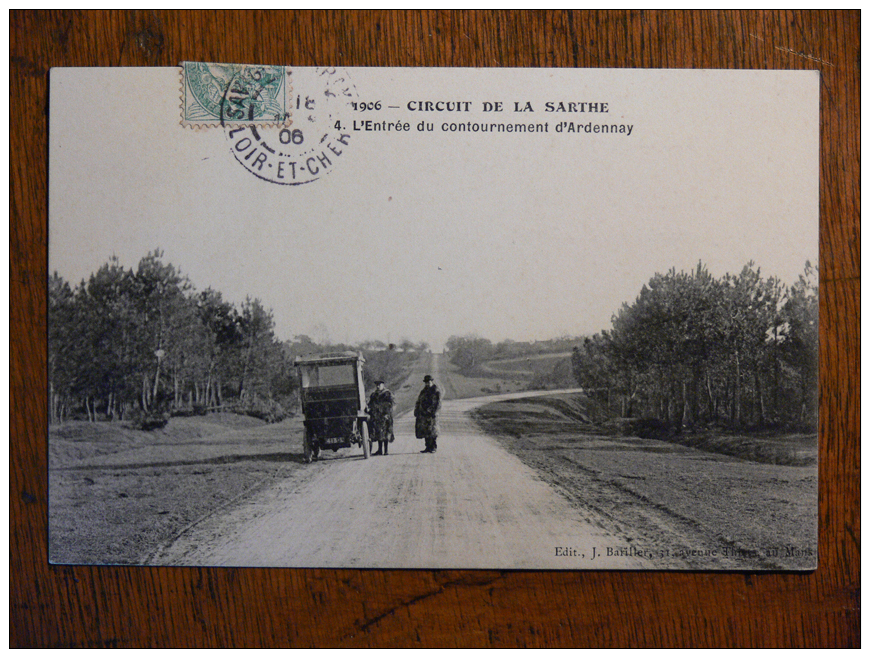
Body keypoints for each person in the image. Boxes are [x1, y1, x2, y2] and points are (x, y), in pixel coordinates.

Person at [414, 374, 441, 453]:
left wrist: (433, 411)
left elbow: (438, 403)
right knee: (425, 431)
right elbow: (419, 401)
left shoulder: (436, 391)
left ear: (432, 382)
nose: (427, 384)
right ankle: (427, 447)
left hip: (432, 414)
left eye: (429, 382)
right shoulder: (423, 391)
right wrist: (417, 410)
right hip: (423, 414)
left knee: (432, 431)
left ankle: (433, 447)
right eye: (426, 382)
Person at [367, 380, 394, 456]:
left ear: (383, 385)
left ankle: (386, 450)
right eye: (377, 385)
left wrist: (386, 414)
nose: (378, 386)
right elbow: (370, 403)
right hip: (376, 416)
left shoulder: (387, 393)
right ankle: (379, 450)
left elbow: (390, 404)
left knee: (385, 432)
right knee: (379, 432)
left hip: (385, 415)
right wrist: (368, 408)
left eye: (379, 385)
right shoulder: (374, 395)